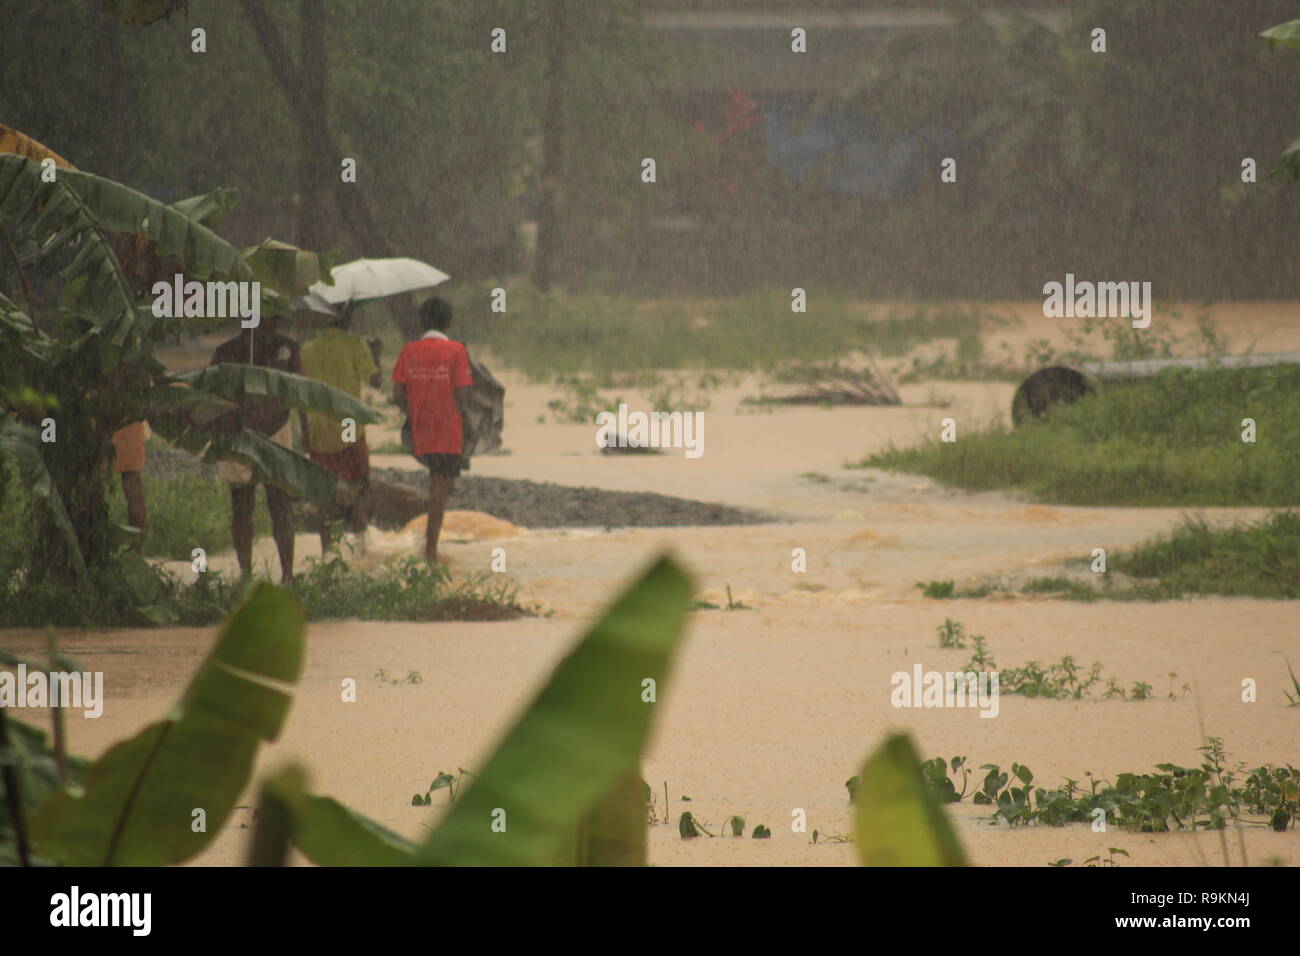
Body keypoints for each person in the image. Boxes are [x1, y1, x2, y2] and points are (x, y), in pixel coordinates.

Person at [209, 317, 301, 583]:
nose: (269, 326)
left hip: (274, 432)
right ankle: (251, 574)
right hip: (241, 433)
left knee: (276, 505)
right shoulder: (229, 352)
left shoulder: (288, 349)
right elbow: (213, 395)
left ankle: (286, 575)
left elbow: (301, 390)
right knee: (246, 506)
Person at [391, 297, 473, 563]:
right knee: (441, 488)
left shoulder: (409, 351)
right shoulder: (457, 351)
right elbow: (463, 395)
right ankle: (430, 551)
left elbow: (398, 392)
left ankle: (426, 537)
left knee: (441, 484)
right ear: (448, 322)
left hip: (421, 428)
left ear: (422, 321)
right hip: (448, 430)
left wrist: (416, 409)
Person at [300, 304, 381, 554]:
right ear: (347, 319)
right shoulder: (355, 345)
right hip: (350, 429)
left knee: (324, 496)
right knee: (361, 487)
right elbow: (376, 381)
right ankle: (361, 548)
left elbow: (300, 394)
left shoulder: (307, 350)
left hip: (319, 431)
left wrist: (305, 433)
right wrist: (376, 355)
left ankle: (328, 553)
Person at [111, 421, 147, 553]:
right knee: (132, 485)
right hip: (128, 421)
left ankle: (136, 547)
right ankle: (137, 548)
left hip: (107, 419)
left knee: (91, 481)